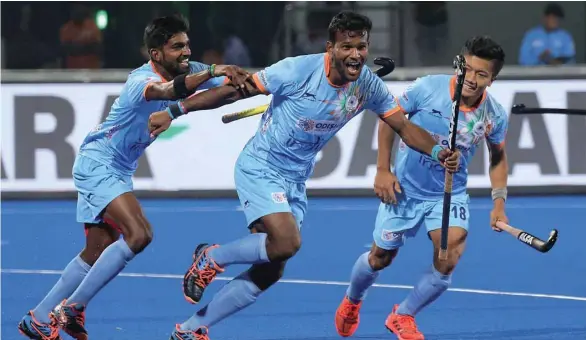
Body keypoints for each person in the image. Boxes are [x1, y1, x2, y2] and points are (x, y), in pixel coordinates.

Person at [147, 11, 461, 340]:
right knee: (286, 242)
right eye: (346, 46)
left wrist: (438, 151)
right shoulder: (296, 70)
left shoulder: (367, 85)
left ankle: (190, 330)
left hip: (296, 179)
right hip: (262, 165)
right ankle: (211, 257)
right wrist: (175, 110)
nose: (355, 54)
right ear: (330, 48)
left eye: (361, 47)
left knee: (271, 268)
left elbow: (405, 127)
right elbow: (233, 91)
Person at [17, 15, 249, 340]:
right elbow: (169, 90)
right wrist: (214, 69)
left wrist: (263, 87)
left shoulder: (188, 69)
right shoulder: (140, 80)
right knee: (139, 235)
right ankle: (73, 308)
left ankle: (39, 318)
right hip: (98, 164)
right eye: (177, 47)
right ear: (156, 54)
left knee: (97, 250)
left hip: (118, 170)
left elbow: (228, 89)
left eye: (187, 45)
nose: (186, 52)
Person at [334, 36, 509, 340]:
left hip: (448, 193)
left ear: (492, 79)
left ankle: (402, 315)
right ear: (460, 64)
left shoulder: (494, 115)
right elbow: (390, 120)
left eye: (482, 74)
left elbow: (498, 159)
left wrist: (498, 203)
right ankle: (352, 300)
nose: (472, 78)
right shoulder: (428, 88)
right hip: (405, 189)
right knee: (381, 257)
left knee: (449, 255)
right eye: (468, 69)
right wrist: (383, 170)